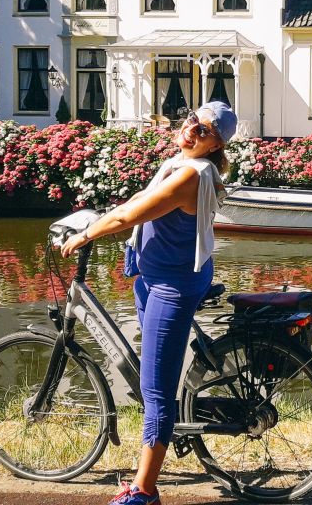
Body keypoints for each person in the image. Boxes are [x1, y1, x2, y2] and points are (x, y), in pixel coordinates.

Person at [59, 101, 237, 505]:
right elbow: (136, 202)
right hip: (157, 277)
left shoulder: (190, 175)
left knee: (156, 391)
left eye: (204, 130)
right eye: (192, 120)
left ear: (214, 145)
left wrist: (85, 236)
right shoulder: (179, 164)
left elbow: (128, 219)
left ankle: (145, 491)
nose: (191, 129)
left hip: (172, 285)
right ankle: (160, 438)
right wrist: (93, 217)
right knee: (151, 378)